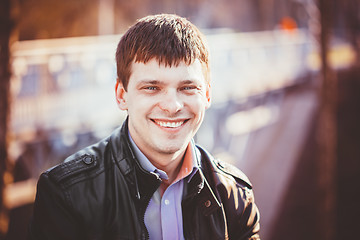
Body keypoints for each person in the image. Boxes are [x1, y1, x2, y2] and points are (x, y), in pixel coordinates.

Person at [28, 14, 260, 240]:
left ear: (207, 95)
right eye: (152, 88)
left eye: (187, 87)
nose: (172, 106)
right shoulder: (66, 194)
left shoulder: (235, 195)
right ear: (121, 95)